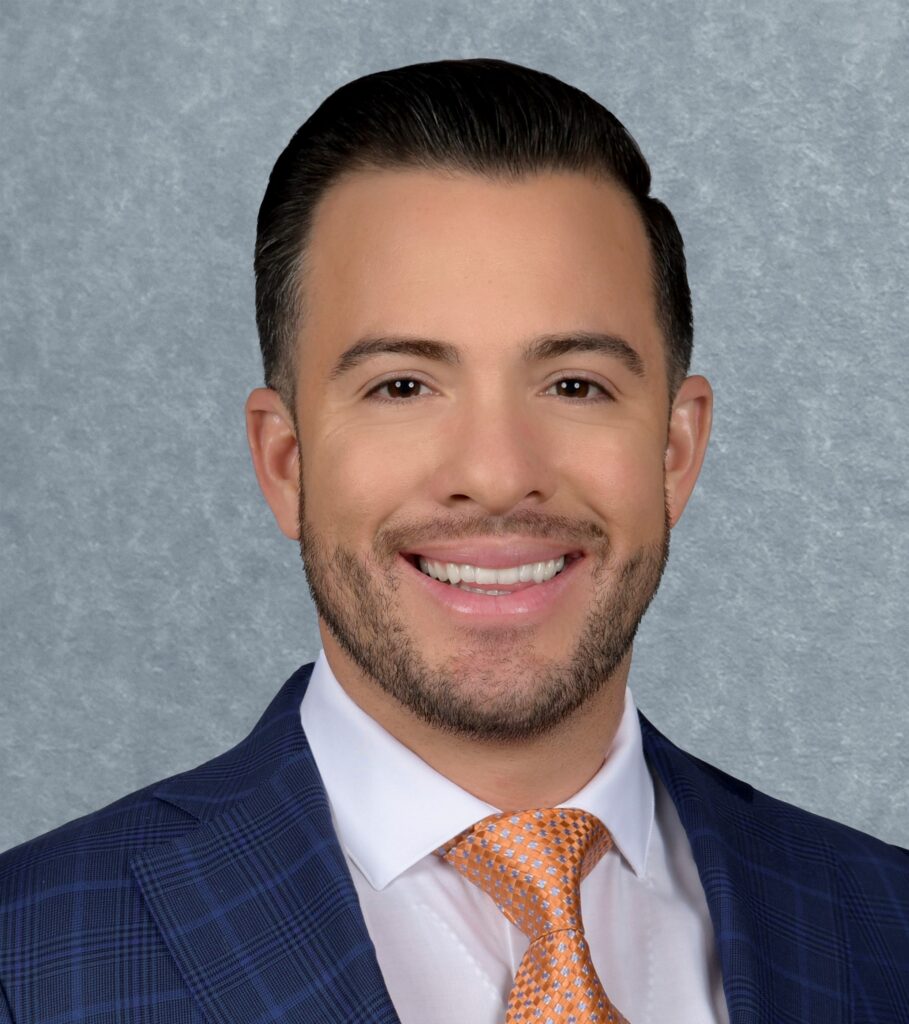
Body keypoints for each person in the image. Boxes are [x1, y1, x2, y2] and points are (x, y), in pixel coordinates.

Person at [0, 57, 906, 1024]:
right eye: (402, 386)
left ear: (675, 451)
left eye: (574, 385)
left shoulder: (883, 923)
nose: (498, 472)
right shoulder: (30, 959)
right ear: (286, 463)